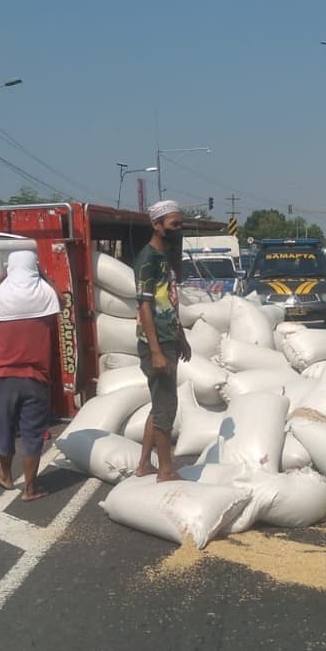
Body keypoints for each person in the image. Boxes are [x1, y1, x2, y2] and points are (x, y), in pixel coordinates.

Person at [0, 250, 59, 502]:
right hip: (36, 379)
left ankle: (5, 473)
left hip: (3, 377)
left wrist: (4, 275)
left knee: (3, 429)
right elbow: (62, 300)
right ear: (34, 268)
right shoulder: (45, 296)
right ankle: (30, 488)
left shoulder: (1, 297)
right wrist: (44, 275)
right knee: (32, 434)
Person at [134, 200, 192, 482]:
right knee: (167, 408)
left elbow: (168, 302)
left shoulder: (164, 257)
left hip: (169, 339)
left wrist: (181, 337)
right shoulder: (148, 259)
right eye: (174, 225)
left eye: (180, 224)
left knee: (160, 405)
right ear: (157, 225)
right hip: (155, 343)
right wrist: (156, 351)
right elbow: (144, 306)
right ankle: (165, 471)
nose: (179, 229)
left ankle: (145, 465)